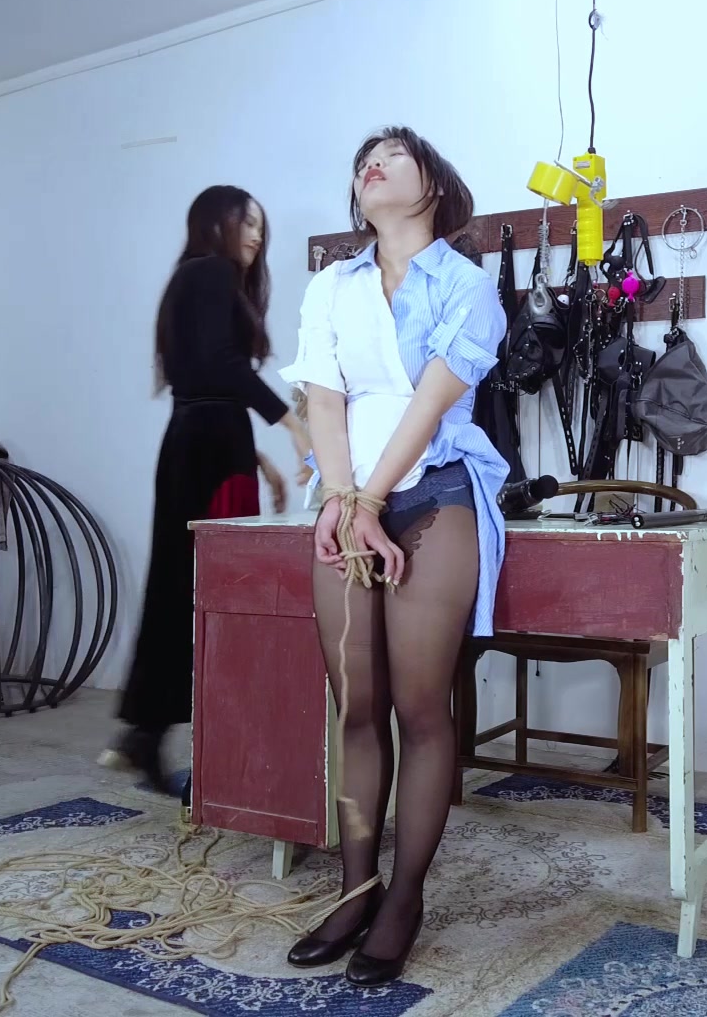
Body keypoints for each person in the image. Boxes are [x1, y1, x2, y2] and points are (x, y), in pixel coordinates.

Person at [278, 128, 509, 985]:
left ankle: (405, 897)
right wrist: (341, 501)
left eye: (393, 153)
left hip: (434, 495)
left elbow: (432, 400)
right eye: (363, 158)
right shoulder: (331, 286)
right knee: (357, 705)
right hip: (347, 499)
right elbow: (323, 399)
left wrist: (373, 500)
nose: (371, 162)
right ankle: (356, 890)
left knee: (419, 707)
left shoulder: (467, 285)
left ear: (435, 186)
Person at [106, 185, 310, 798]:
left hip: (197, 443)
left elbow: (204, 383)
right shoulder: (213, 273)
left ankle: (146, 730)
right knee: (221, 595)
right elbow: (224, 369)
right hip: (211, 450)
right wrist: (295, 427)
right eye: (245, 221)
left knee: (181, 585)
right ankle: (216, 750)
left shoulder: (189, 278)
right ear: (213, 223)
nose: (255, 234)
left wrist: (259, 461)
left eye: (260, 226)